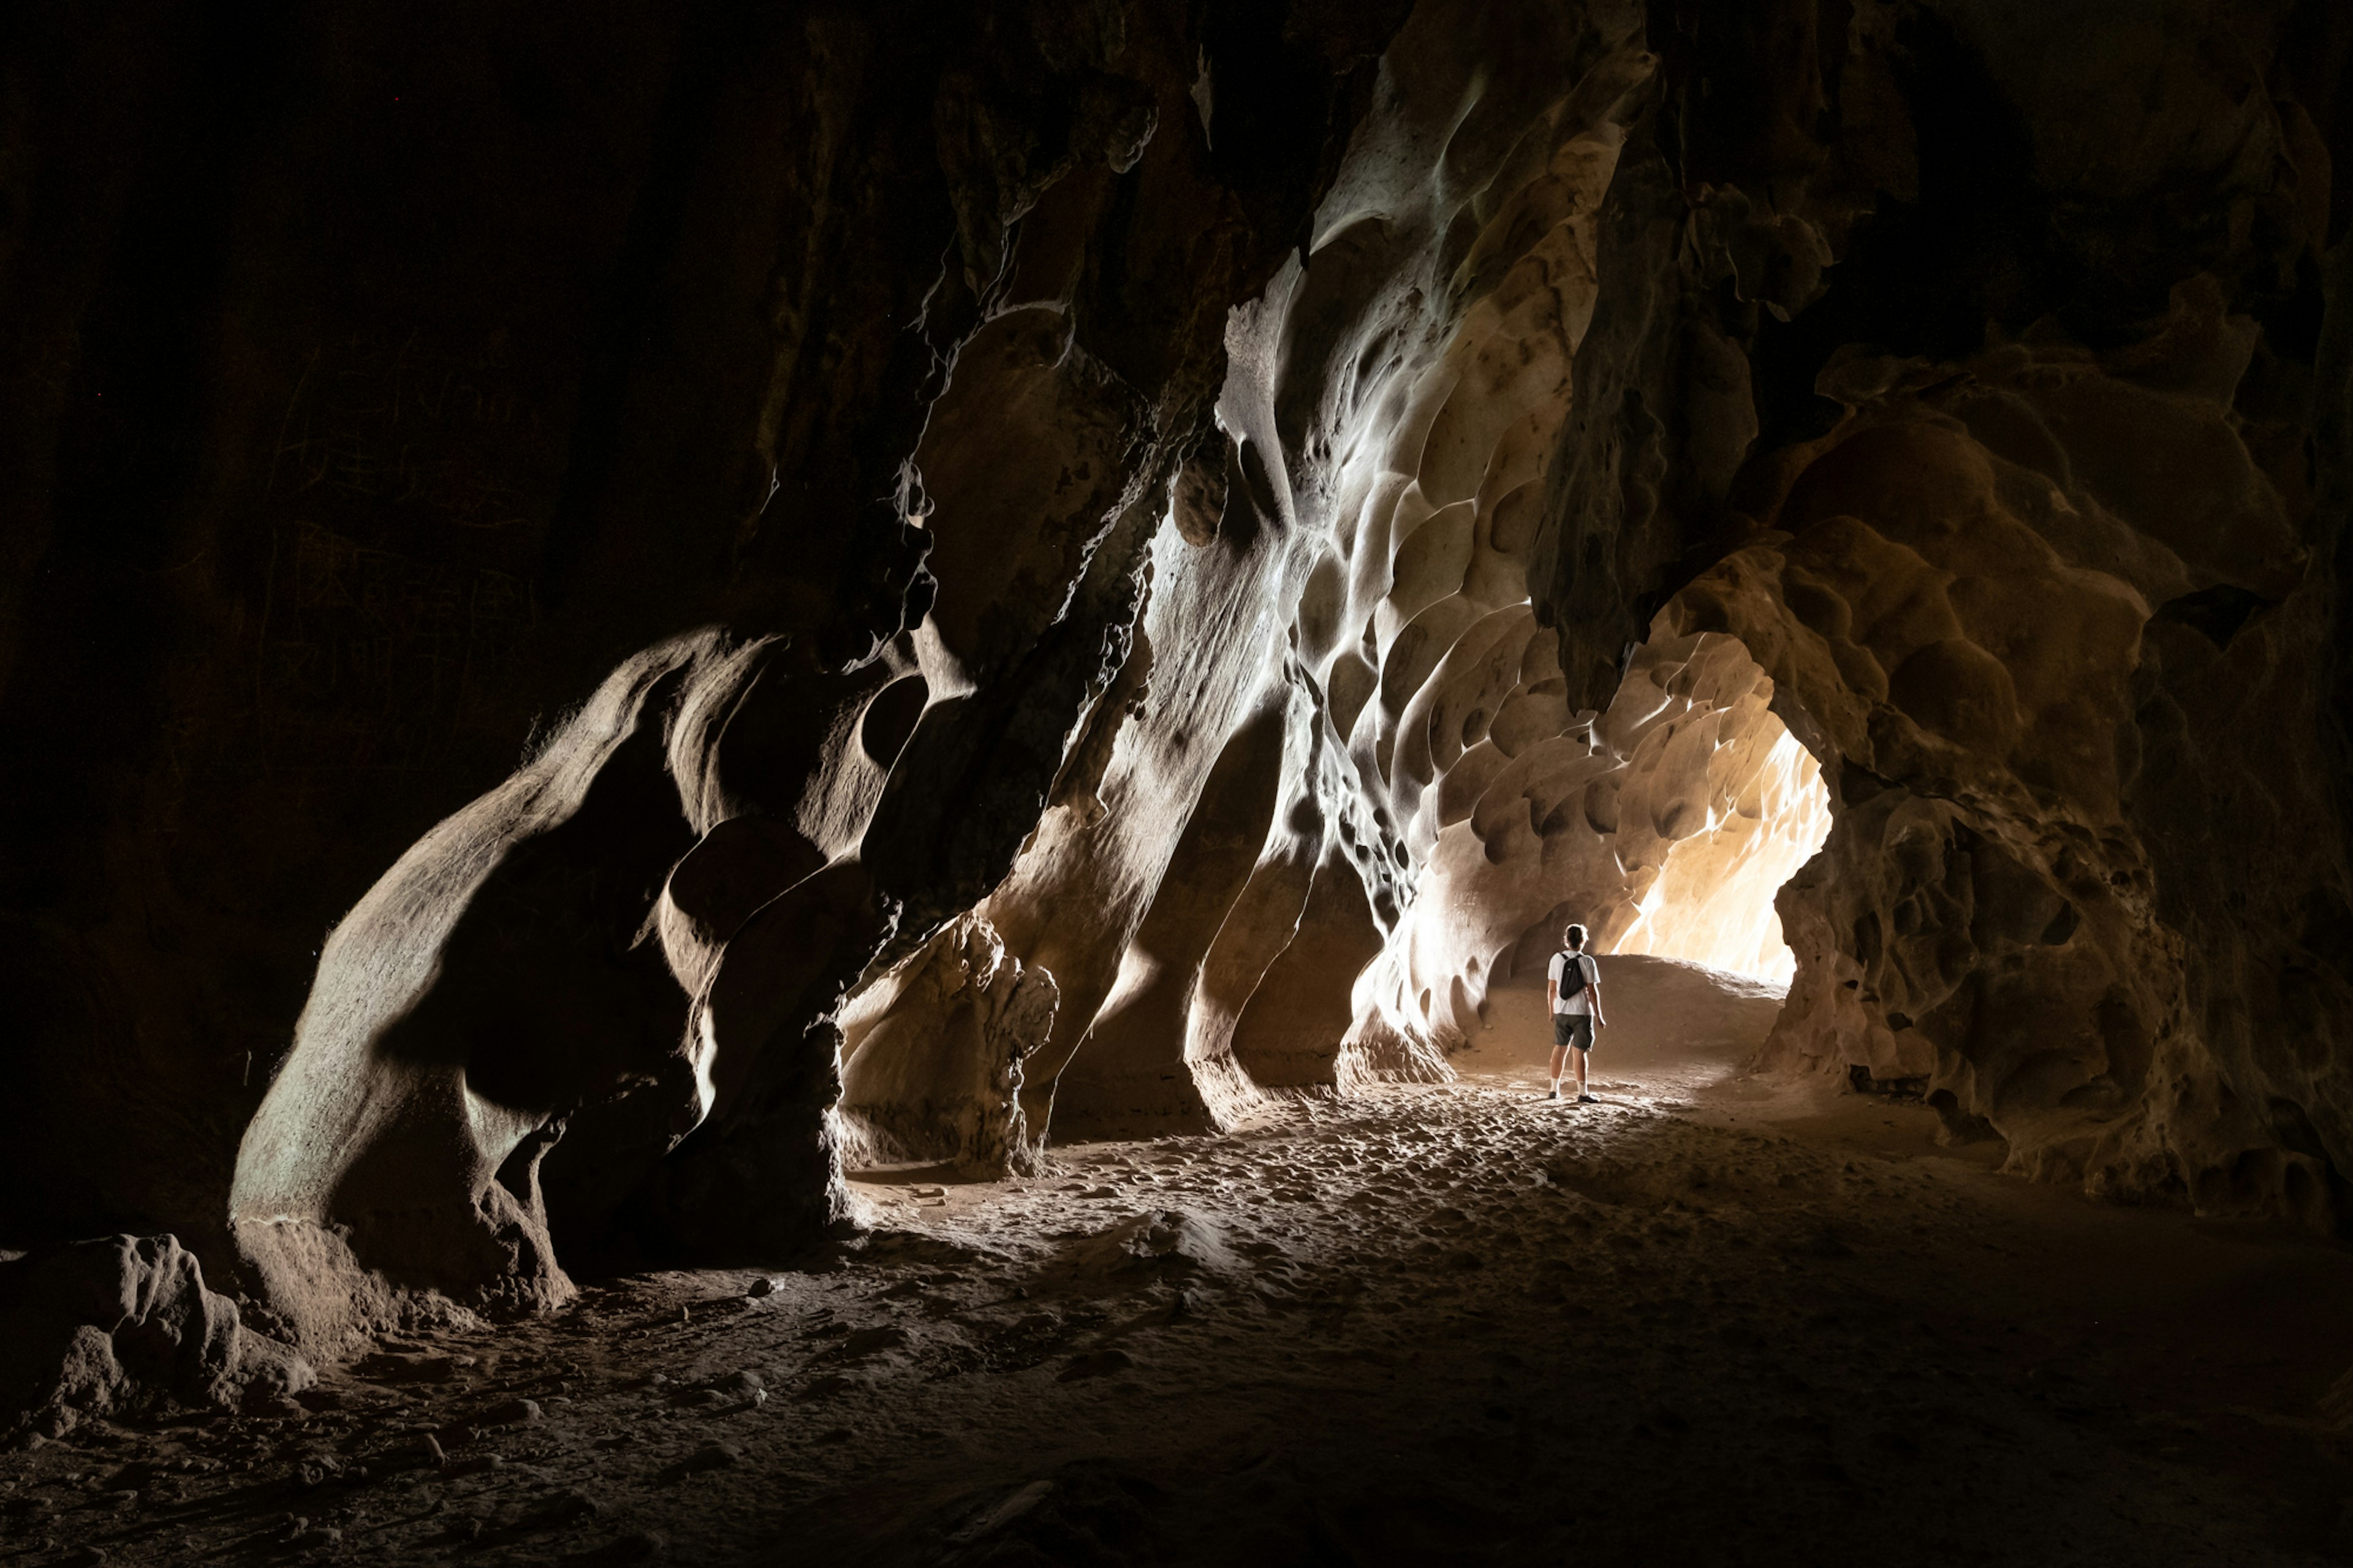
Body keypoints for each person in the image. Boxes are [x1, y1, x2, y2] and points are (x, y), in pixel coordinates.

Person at [1544, 923, 1605, 1102]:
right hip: (1582, 1013)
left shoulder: (1556, 959)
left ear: (1566, 940)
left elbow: (1552, 989)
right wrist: (1599, 1015)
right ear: (1583, 941)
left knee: (1559, 1049)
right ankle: (1583, 1093)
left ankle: (1554, 1090)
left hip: (1561, 1011)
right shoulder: (1587, 962)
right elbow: (1592, 992)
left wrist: (1551, 1011)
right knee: (1580, 1053)